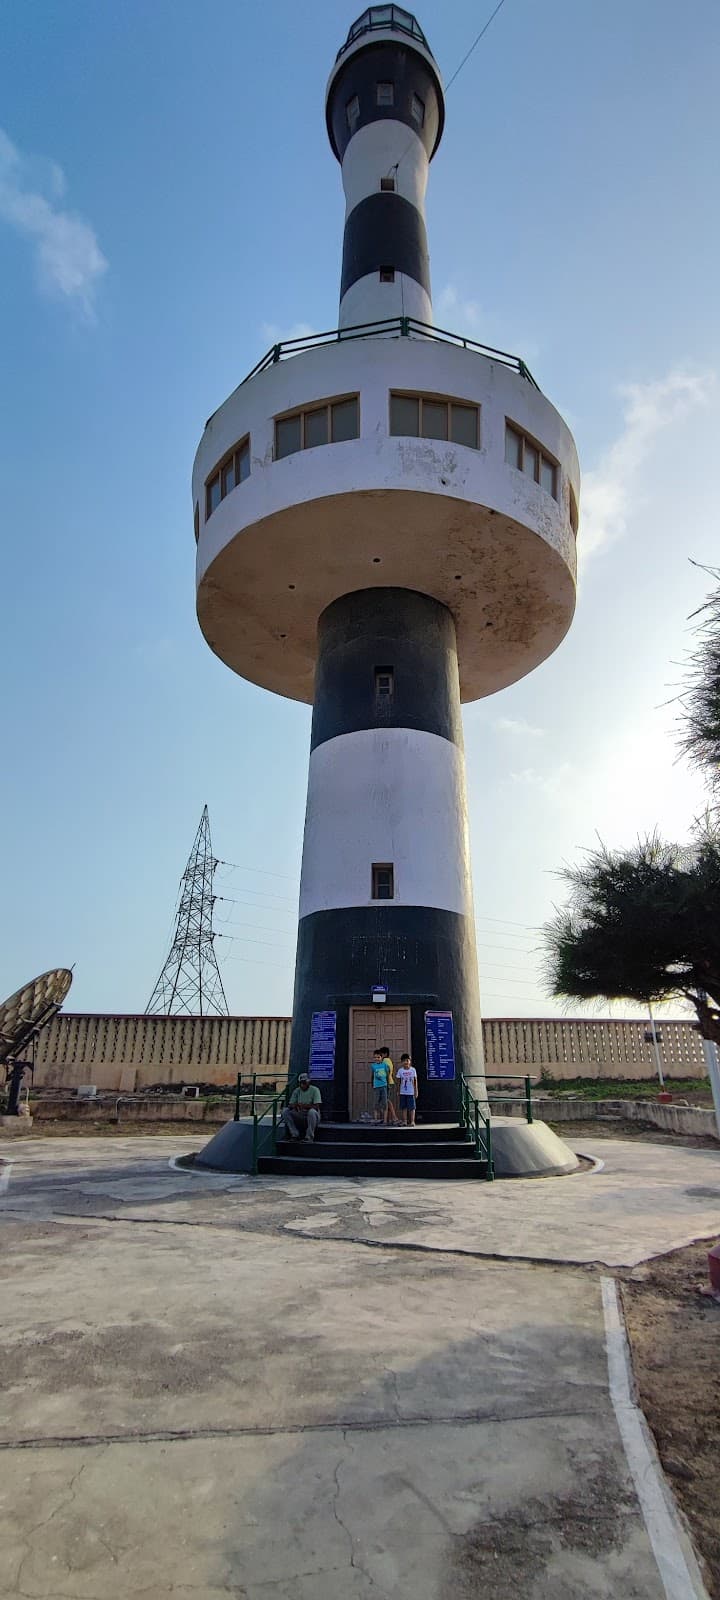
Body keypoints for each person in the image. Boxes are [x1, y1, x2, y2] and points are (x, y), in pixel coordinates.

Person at [280, 1074, 322, 1142]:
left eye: (304, 1083)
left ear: (308, 1082)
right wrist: (295, 1105)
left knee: (312, 1112)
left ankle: (309, 1137)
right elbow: (290, 1104)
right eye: (301, 1083)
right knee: (285, 1111)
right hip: (300, 1114)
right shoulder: (297, 1091)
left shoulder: (315, 1090)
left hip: (312, 1116)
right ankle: (294, 1134)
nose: (302, 1085)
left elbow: (316, 1106)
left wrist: (304, 1106)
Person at [396, 1052, 418, 1126]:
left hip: (411, 1092)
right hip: (403, 1092)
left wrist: (416, 1091)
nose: (406, 1062)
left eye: (407, 1060)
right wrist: (398, 1091)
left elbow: (415, 1081)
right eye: (404, 1061)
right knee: (404, 1107)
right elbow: (398, 1082)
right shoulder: (400, 1071)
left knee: (412, 1107)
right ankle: (404, 1121)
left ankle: (412, 1121)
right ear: (402, 1062)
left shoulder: (413, 1070)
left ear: (410, 1061)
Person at [381, 1045, 400, 1125]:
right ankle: (386, 1119)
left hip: (387, 1082)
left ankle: (394, 1117)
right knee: (385, 1101)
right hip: (388, 1082)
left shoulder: (385, 1061)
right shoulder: (388, 1061)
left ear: (385, 1054)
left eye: (381, 1054)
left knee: (387, 1101)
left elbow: (386, 1072)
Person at [371, 1048, 390, 1124]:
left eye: (378, 1057)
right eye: (375, 1057)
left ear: (382, 1058)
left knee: (384, 1103)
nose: (377, 1059)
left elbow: (387, 1075)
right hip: (376, 1087)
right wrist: (372, 1084)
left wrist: (388, 1085)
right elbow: (372, 1076)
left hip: (384, 1086)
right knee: (376, 1103)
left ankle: (385, 1120)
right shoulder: (373, 1066)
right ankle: (376, 1120)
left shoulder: (385, 1065)